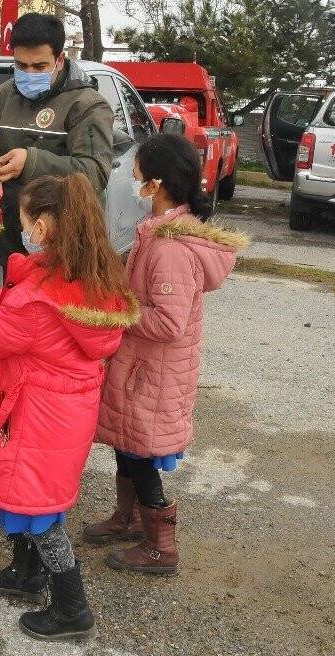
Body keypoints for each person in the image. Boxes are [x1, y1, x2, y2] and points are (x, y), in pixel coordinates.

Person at [0, 173, 138, 641]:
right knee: (32, 501)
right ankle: (26, 574)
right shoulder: (83, 274)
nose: (22, 231)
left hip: (32, 419)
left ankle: (72, 608)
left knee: (39, 516)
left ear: (42, 227)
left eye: (24, 221)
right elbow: (24, 309)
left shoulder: (37, 300)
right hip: (60, 417)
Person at [90, 133, 248, 574]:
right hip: (140, 367)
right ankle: (128, 520)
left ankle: (162, 546)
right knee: (126, 446)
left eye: (136, 176)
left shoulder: (171, 248)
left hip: (151, 372)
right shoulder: (157, 233)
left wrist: (116, 312)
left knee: (140, 455)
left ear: (156, 185)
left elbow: (167, 322)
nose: (130, 183)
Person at [0, 12, 114, 268]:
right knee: (13, 304)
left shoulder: (86, 105)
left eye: (39, 67)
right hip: (14, 236)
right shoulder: (4, 95)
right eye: (21, 66)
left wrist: (30, 162)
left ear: (60, 59)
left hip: (66, 243)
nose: (29, 74)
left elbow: (94, 174)